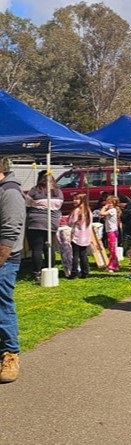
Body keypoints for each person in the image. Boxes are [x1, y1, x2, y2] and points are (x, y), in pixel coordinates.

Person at [0, 157, 26, 384]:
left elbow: (9, 233)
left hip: (4, 261)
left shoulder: (10, 192)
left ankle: (10, 354)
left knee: (2, 304)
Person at [24, 170, 63, 281]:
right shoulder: (58, 192)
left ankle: (37, 272)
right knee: (49, 247)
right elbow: (59, 205)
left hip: (36, 222)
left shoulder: (35, 191)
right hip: (52, 222)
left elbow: (27, 204)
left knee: (37, 249)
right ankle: (49, 268)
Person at [67, 194, 93, 279]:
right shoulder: (88, 210)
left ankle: (74, 272)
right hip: (86, 236)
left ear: (82, 200)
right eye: (74, 199)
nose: (74, 201)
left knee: (75, 255)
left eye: (77, 199)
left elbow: (71, 223)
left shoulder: (77, 210)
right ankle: (85, 271)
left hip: (77, 236)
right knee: (83, 254)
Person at [98, 195, 121, 272]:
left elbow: (101, 213)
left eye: (109, 203)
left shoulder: (112, 210)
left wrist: (104, 207)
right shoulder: (112, 210)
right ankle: (116, 265)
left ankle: (112, 266)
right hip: (110, 231)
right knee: (112, 249)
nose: (108, 204)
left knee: (112, 249)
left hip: (112, 231)